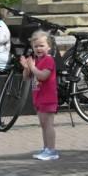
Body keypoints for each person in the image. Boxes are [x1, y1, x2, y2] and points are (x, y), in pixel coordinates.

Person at [22, 30, 59, 160]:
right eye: (36, 46)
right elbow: (26, 78)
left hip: (48, 97)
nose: (38, 48)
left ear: (48, 46)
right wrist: (27, 68)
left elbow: (43, 76)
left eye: (42, 45)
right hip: (38, 97)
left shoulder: (49, 60)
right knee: (43, 124)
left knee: (48, 124)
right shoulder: (35, 61)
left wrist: (32, 68)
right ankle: (46, 148)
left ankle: (52, 150)